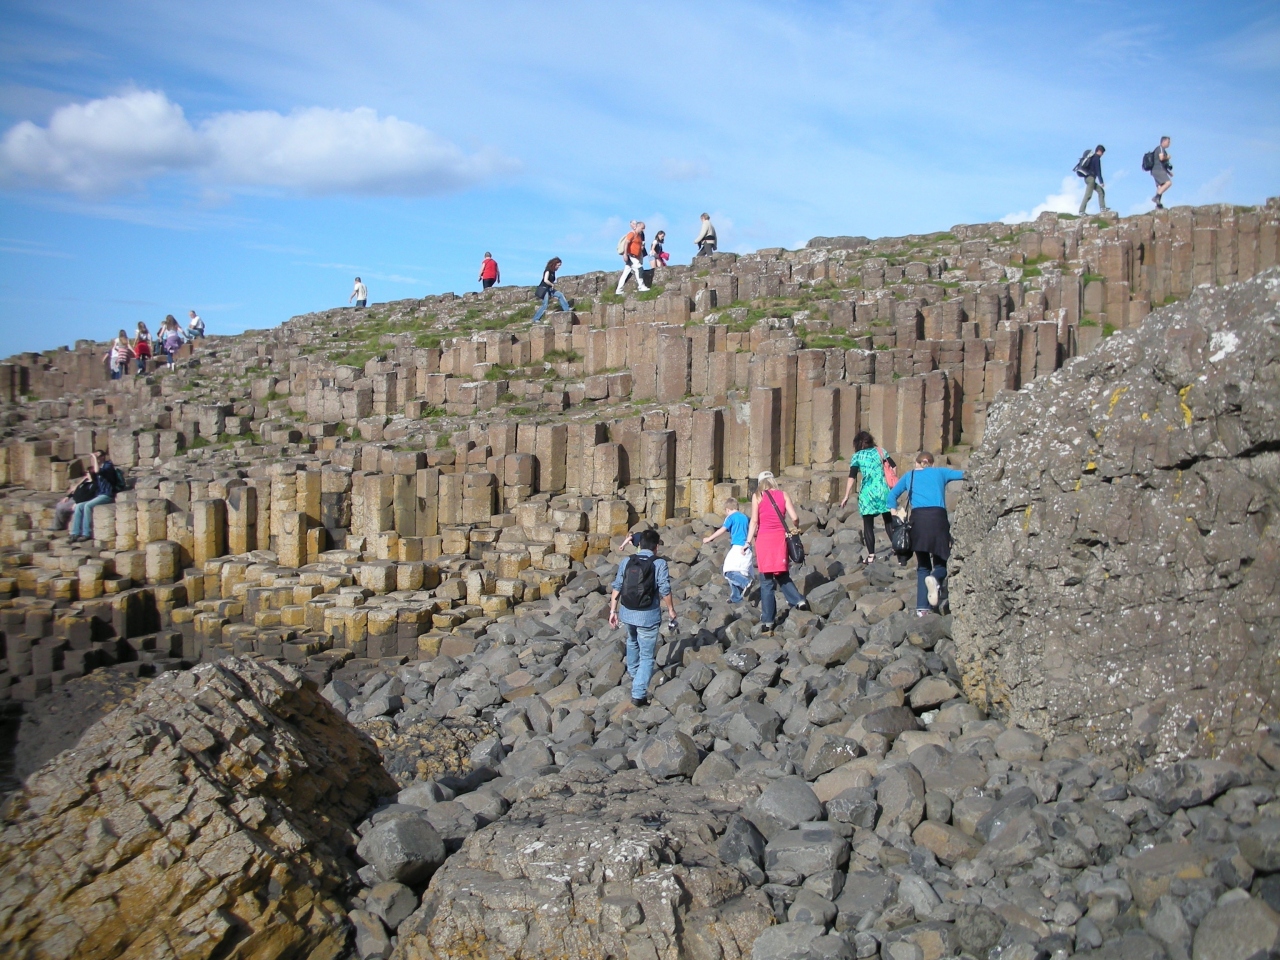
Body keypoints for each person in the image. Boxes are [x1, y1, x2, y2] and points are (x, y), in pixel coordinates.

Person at [886, 452, 965, 616]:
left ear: (917, 463)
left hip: (918, 521)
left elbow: (891, 496)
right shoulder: (941, 472)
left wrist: (895, 516)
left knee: (922, 566)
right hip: (938, 519)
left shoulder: (910, 475)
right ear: (932, 463)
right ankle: (936, 578)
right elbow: (965, 474)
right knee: (942, 561)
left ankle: (922, 609)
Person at [608, 529, 677, 707]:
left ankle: (633, 673)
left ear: (639, 545)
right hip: (647, 616)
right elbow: (664, 589)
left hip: (627, 612)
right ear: (656, 547)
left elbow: (617, 586)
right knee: (647, 656)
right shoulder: (659, 563)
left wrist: (613, 611)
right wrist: (670, 610)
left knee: (632, 641)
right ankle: (638, 694)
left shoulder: (626, 561)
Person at [748, 472, 807, 633]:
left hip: (764, 540)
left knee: (766, 581)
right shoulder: (783, 495)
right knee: (781, 573)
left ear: (760, 483)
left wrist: (747, 541)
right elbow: (794, 517)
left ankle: (768, 621)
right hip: (780, 538)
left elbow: (754, 521)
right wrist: (796, 525)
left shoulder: (757, 496)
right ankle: (798, 600)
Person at [839, 431, 897, 564]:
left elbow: (852, 477)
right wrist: (891, 482)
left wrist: (846, 495)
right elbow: (893, 466)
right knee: (888, 520)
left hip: (867, 493)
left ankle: (871, 555)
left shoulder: (857, 456)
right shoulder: (880, 451)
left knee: (868, 525)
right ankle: (896, 547)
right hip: (883, 491)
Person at [704, 497, 752, 602]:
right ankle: (736, 597)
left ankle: (745, 583)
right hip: (747, 548)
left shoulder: (731, 517)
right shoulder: (745, 517)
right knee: (738, 572)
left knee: (728, 571)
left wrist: (709, 538)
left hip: (738, 547)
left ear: (727, 509)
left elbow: (722, 529)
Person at [68, 450, 119, 543]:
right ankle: (75, 533)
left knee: (88, 506)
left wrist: (94, 457)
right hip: (99, 495)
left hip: (106, 494)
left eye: (98, 456)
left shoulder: (108, 466)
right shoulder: (97, 467)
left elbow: (96, 471)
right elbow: (88, 476)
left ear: (103, 457)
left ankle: (86, 533)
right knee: (79, 506)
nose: (96, 458)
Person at [531, 258, 571, 323]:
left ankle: (567, 309)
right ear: (554, 264)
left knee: (560, 295)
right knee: (545, 304)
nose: (559, 267)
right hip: (544, 289)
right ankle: (535, 318)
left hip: (549, 289)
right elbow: (545, 280)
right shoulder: (548, 270)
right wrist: (552, 284)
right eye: (558, 265)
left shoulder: (553, 271)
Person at [616, 222, 649, 295]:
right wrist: (625, 254)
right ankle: (641, 286)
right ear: (638, 226)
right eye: (642, 228)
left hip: (636, 256)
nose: (643, 230)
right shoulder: (632, 233)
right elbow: (626, 243)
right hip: (631, 256)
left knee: (625, 273)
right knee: (639, 269)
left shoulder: (639, 236)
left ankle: (619, 290)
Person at [1077, 145, 1108, 215]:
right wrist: (1101, 181)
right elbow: (1098, 171)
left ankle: (1103, 208)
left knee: (1101, 191)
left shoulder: (1092, 157)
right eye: (1102, 153)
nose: (1102, 154)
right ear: (1099, 151)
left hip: (1088, 178)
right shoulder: (1096, 158)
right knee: (1088, 195)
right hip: (1091, 179)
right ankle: (1081, 211)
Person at [1150, 136, 1173, 209]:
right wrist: (1167, 157)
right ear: (1163, 141)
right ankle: (1156, 197)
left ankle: (1158, 205)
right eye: (1168, 142)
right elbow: (1161, 158)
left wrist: (1168, 172)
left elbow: (1162, 163)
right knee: (1168, 183)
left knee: (1160, 187)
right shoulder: (1160, 148)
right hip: (1158, 169)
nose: (1169, 143)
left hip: (1156, 170)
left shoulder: (1163, 150)